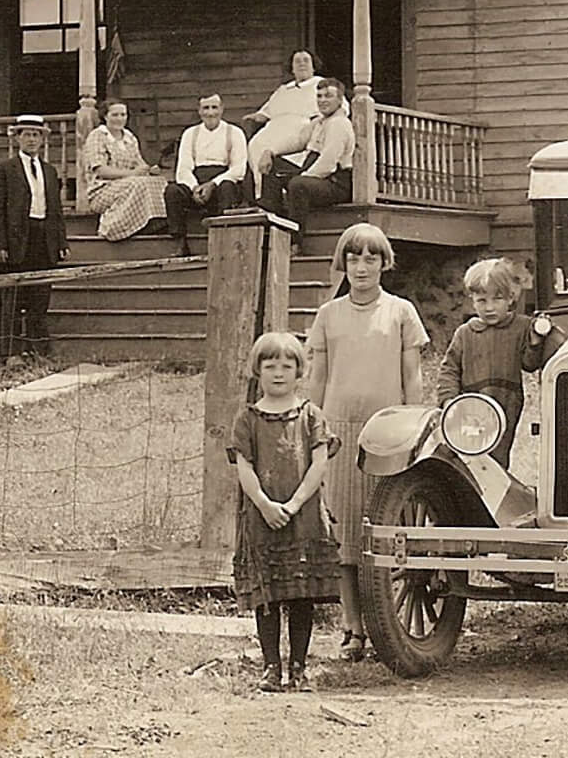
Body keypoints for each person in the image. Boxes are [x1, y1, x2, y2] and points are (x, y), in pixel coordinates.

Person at [305, 222, 427, 662]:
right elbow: (317, 377)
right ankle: (352, 628)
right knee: (345, 535)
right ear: (343, 263)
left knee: (385, 528)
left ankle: (386, 628)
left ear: (384, 263)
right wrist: (310, 426)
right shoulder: (328, 315)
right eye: (353, 258)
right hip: (338, 431)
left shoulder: (400, 312)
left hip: (387, 434)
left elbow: (411, 375)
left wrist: (415, 426)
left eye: (370, 258)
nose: (361, 267)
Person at [226, 329, 340, 693]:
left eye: (287, 365)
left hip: (303, 517)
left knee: (301, 592)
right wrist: (264, 504)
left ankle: (299, 667)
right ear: (257, 370)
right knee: (268, 593)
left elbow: (319, 464)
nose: (278, 372)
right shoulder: (247, 419)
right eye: (270, 364)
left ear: (299, 370)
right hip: (262, 519)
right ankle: (271, 667)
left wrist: (292, 504)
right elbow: (245, 468)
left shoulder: (311, 417)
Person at [435, 257, 563, 466]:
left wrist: (535, 341)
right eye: (482, 301)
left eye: (497, 299)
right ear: (472, 300)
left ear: (511, 298)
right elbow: (449, 369)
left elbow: (529, 364)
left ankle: (497, 495)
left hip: (507, 402)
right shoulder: (466, 333)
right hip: (471, 403)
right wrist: (449, 400)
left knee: (498, 458)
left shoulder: (521, 327)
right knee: (468, 455)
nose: (489, 308)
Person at [0, 115, 66, 353]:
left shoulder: (50, 171)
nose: (31, 139)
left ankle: (38, 350)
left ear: (42, 139)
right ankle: (11, 352)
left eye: (36, 135)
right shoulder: (6, 169)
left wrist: (61, 241)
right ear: (17, 138)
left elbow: (56, 209)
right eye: (26, 135)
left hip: (44, 238)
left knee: (40, 296)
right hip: (17, 239)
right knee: (13, 297)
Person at [162, 94, 251, 257]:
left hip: (223, 182)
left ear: (222, 109)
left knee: (227, 188)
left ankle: (222, 243)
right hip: (196, 182)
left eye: (214, 108)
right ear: (199, 111)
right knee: (172, 191)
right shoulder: (190, 134)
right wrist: (194, 187)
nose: (210, 113)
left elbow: (238, 168)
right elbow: (184, 167)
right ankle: (181, 242)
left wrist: (212, 184)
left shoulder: (234, 132)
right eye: (206, 108)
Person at [264, 77, 355, 226]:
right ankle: (276, 223)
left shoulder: (339, 124)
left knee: (298, 185)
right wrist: (270, 151)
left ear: (340, 100)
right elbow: (298, 141)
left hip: (335, 182)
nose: (322, 100)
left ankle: (295, 239)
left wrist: (302, 177)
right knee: (272, 168)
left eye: (328, 96)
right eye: (319, 96)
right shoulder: (319, 122)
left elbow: (328, 163)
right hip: (317, 176)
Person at [78, 101, 163, 243]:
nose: (120, 118)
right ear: (105, 116)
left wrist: (149, 170)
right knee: (137, 184)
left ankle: (152, 221)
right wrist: (132, 174)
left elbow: (139, 164)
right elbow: (101, 170)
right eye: (115, 115)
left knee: (158, 182)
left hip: (128, 184)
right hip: (101, 190)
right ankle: (113, 228)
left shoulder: (130, 138)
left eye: (123, 114)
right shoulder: (98, 136)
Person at [244, 50, 323, 181]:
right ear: (292, 68)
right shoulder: (283, 90)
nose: (301, 64)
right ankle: (261, 191)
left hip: (301, 129)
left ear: (313, 66)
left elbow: (340, 108)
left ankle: (281, 187)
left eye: (306, 60)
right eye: (297, 61)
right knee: (256, 144)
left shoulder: (320, 84)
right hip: (274, 128)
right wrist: (252, 117)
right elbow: (264, 113)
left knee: (280, 151)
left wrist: (317, 121)